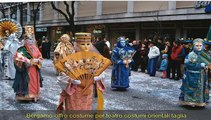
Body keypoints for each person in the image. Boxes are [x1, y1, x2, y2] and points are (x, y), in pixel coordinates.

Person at [56, 32, 106, 111]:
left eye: (88, 44)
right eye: (83, 44)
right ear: (76, 45)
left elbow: (102, 72)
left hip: (88, 92)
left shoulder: (94, 59)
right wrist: (72, 80)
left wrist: (97, 77)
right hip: (74, 93)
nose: (86, 47)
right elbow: (61, 76)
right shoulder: (70, 58)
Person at [179, 38, 211, 107]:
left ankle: (199, 102)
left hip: (201, 76)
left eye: (200, 45)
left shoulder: (204, 55)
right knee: (191, 88)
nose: (199, 47)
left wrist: (206, 66)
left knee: (200, 88)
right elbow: (187, 64)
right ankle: (190, 102)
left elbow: (209, 63)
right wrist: (199, 65)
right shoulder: (190, 55)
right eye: (197, 45)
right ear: (194, 46)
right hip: (191, 75)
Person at [12, 34, 43, 102]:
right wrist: (26, 63)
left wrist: (38, 60)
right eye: (29, 39)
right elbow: (17, 58)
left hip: (35, 69)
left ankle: (34, 95)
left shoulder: (35, 48)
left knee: (34, 82)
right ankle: (26, 97)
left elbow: (40, 56)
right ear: (25, 40)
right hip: (26, 70)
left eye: (32, 39)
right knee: (27, 82)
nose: (31, 41)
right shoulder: (21, 49)